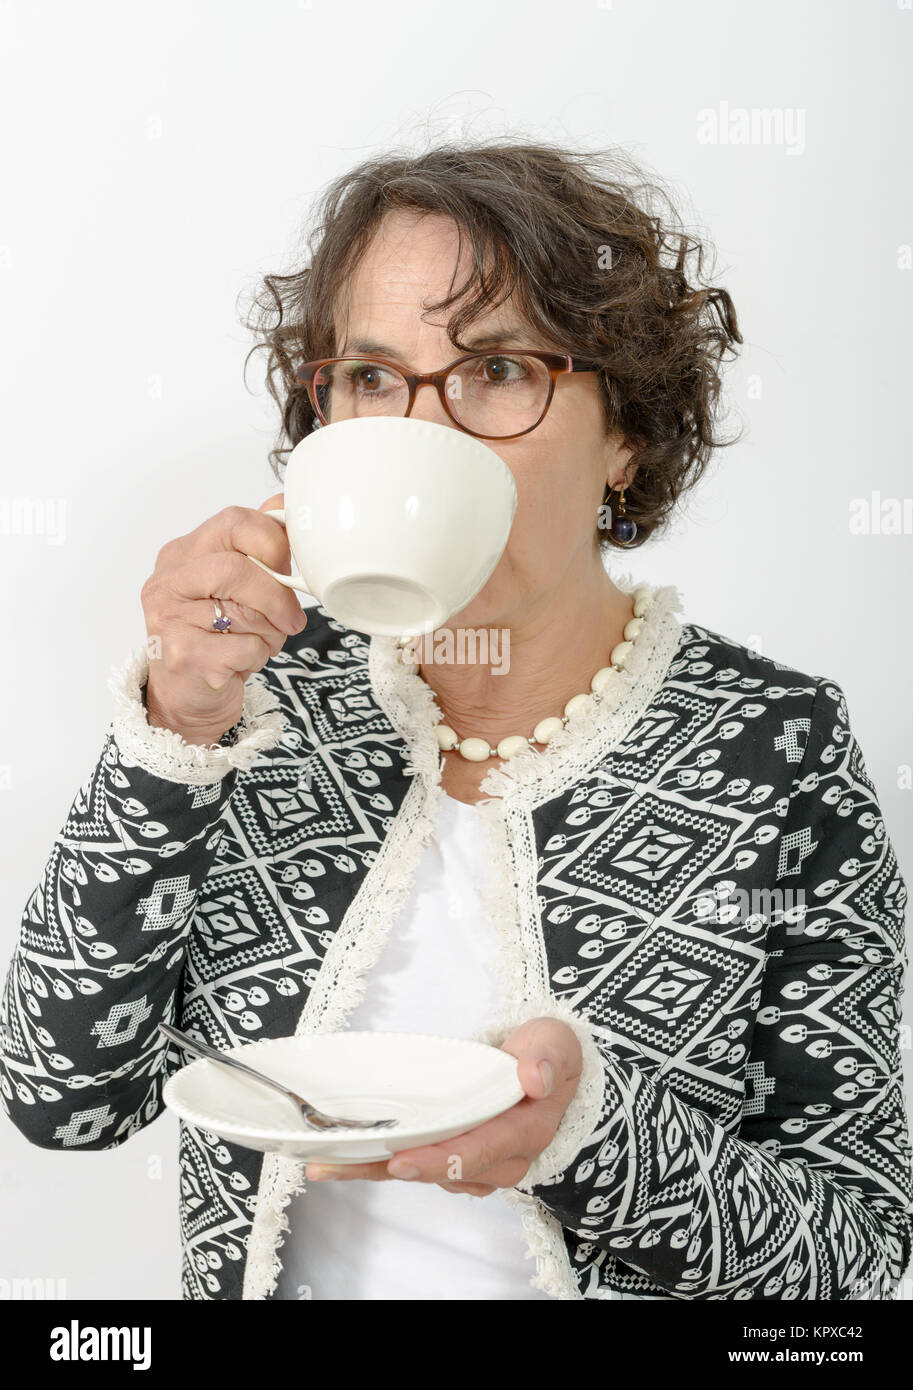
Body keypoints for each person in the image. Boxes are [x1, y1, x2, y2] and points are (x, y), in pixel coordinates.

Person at [2, 140, 911, 1301]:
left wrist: (592, 1138)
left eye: (497, 370)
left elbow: (855, 1265)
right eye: (373, 379)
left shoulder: (771, 745)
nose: (423, 435)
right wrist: (173, 731)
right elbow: (63, 1098)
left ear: (626, 433)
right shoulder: (254, 702)